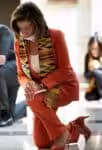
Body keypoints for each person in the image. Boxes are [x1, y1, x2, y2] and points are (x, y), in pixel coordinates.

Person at [11, 2, 91, 149]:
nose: (24, 32)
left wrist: (40, 85)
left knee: (34, 98)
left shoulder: (56, 36)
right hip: (39, 92)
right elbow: (21, 74)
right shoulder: (18, 44)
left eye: (27, 27)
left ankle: (62, 136)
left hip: (62, 85)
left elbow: (65, 70)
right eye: (20, 28)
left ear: (37, 23)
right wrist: (27, 84)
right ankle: (72, 128)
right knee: (41, 143)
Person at [84, 35, 102, 101]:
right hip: (96, 86)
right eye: (92, 49)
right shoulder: (88, 56)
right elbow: (86, 74)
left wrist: (98, 67)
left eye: (97, 48)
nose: (95, 51)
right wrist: (91, 71)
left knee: (97, 72)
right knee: (88, 96)